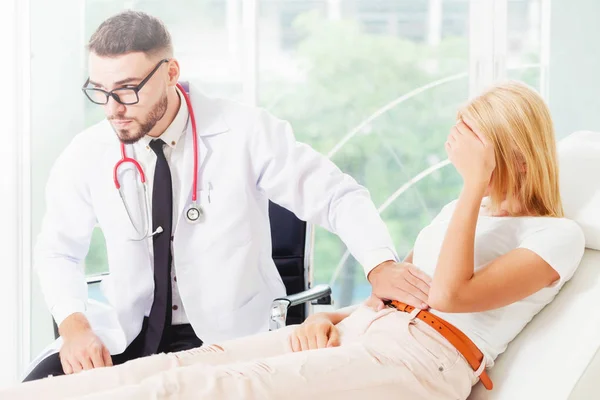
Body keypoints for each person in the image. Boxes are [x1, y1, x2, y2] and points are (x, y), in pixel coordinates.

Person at [6, 80, 586, 399]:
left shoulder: (556, 236)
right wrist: (330, 320)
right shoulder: (459, 217)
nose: (453, 151)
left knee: (202, 389)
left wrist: (471, 188)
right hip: (363, 332)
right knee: (178, 366)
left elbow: (453, 298)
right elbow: (394, 298)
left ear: (509, 152)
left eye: (471, 144)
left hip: (422, 361)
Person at [23, 11, 431, 381]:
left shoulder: (245, 132)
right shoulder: (88, 151)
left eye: (128, 89)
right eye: (101, 91)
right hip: (129, 338)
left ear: (170, 72)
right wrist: (73, 325)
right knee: (37, 385)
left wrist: (380, 265)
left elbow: (337, 196)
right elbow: (59, 251)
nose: (114, 109)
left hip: (230, 341)